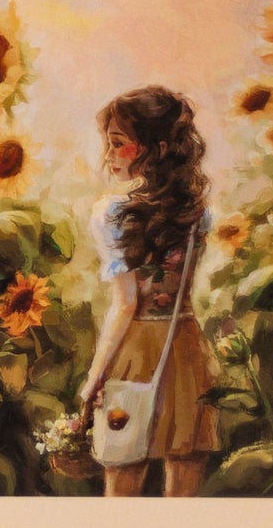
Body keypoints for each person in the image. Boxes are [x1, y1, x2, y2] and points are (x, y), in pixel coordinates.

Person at [77, 86, 219, 496]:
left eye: (117, 143)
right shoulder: (199, 214)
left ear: (156, 149)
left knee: (122, 469)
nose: (108, 155)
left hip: (135, 351)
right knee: (184, 473)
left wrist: (93, 378)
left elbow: (126, 304)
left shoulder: (111, 213)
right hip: (186, 346)